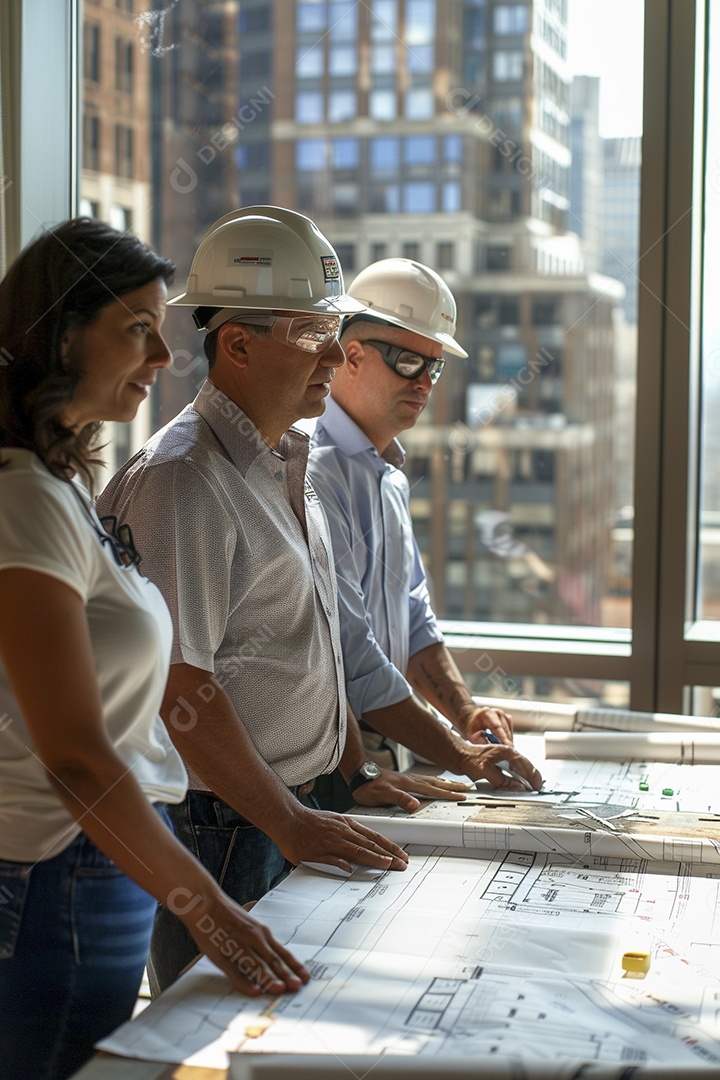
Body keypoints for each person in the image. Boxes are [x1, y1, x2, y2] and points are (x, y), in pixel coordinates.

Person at [96, 207, 467, 998]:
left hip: (289, 809)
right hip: (229, 824)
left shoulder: (288, 459)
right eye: (314, 333)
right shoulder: (187, 480)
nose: (339, 354)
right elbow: (180, 689)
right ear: (237, 343)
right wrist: (288, 821)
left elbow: (316, 642)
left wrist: (349, 769)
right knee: (231, 1034)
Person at [0, 218, 310, 1080]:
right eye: (137, 329)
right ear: (58, 336)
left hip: (105, 864)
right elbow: (73, 756)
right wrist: (208, 908)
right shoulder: (21, 501)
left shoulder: (60, 486)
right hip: (59, 867)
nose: (167, 356)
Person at [306, 258, 543, 809]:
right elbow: (351, 652)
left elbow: (414, 618)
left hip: (386, 749)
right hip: (326, 762)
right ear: (352, 355)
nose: (424, 384)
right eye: (409, 360)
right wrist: (462, 754)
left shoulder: (386, 473)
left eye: (434, 369)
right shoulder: (312, 469)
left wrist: (465, 713)